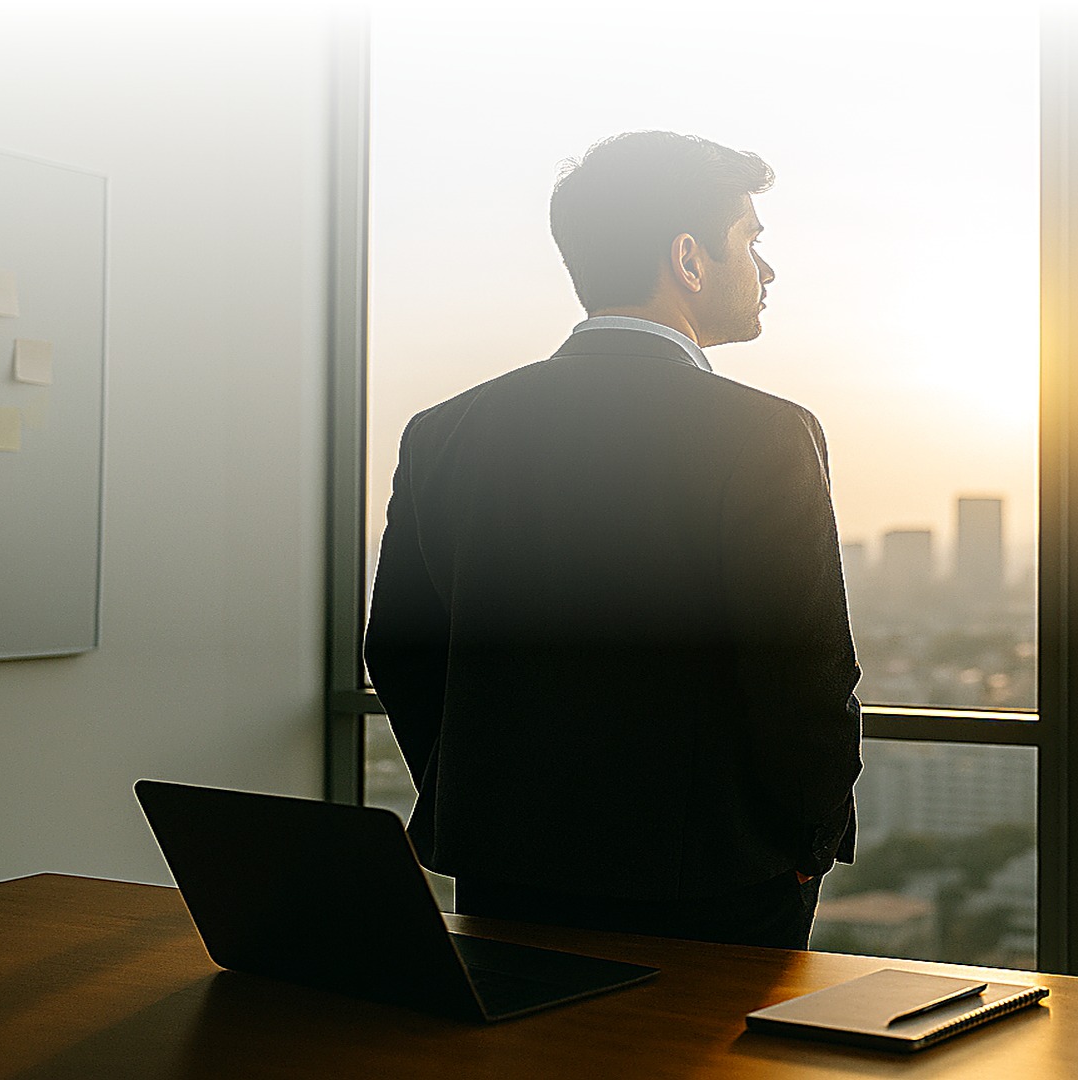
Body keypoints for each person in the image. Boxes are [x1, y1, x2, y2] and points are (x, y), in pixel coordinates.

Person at [365, 131, 861, 949]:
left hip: (506, 870)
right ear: (688, 259)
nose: (767, 270)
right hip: (714, 883)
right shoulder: (767, 436)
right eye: (751, 240)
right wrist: (805, 849)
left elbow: (399, 652)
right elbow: (804, 680)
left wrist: (488, 801)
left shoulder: (446, 431)